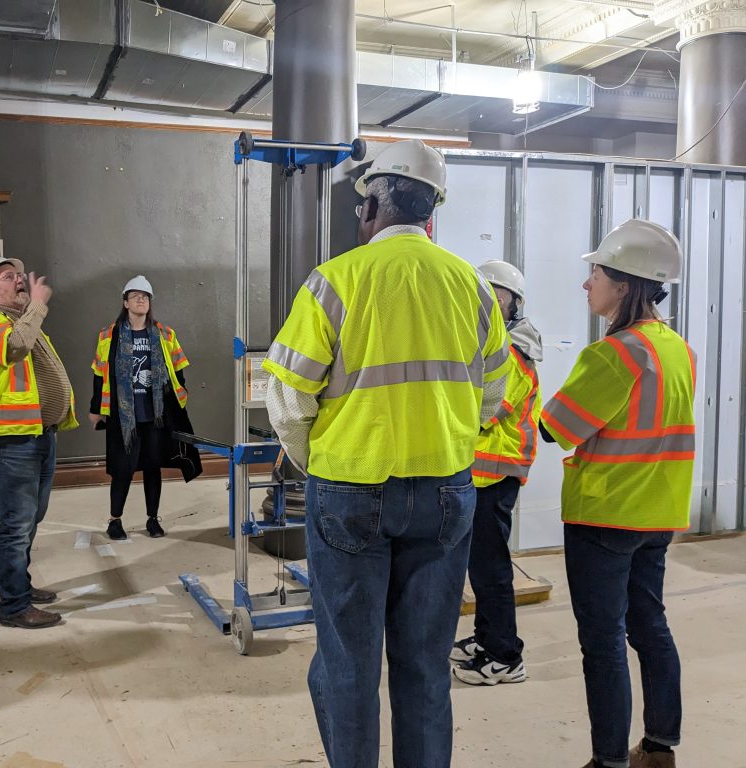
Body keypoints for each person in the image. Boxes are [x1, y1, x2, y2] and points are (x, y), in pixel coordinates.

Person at [263, 139, 511, 768]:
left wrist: (315, 463)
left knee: (348, 663)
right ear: (433, 213)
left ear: (373, 204)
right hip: (448, 491)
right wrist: (448, 439)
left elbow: (289, 400)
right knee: (426, 663)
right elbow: (494, 393)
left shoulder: (335, 281)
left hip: (349, 488)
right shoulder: (474, 289)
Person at [539, 220, 693, 768]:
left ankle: (609, 761)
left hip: (606, 513)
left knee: (602, 642)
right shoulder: (677, 349)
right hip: (658, 512)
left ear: (624, 284)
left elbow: (555, 426)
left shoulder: (616, 353)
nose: (587, 285)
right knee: (649, 624)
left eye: (596, 273)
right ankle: (660, 746)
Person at [0, 255, 78, 629]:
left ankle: (22, 586)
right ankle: (14, 607)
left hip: (38, 436)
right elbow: (13, 350)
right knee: (16, 525)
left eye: (19, 275)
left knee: (31, 519)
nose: (18, 280)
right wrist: (38, 304)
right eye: (8, 277)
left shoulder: (21, 321)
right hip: (12, 442)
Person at [452, 260, 543, 686]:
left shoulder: (513, 354)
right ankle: (486, 638)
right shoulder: (495, 346)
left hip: (496, 470)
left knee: (490, 568)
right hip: (484, 472)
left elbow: (486, 413)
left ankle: (505, 656)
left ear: (508, 302)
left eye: (489, 295)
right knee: (481, 564)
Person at [89, 275, 202, 541]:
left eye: (146, 296)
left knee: (153, 467)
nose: (141, 300)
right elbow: (99, 374)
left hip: (155, 415)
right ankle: (114, 521)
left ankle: (153, 519)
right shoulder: (109, 335)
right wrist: (96, 408)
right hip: (122, 415)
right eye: (136, 296)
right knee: (122, 469)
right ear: (125, 302)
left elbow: (178, 370)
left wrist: (180, 397)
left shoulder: (164, 333)